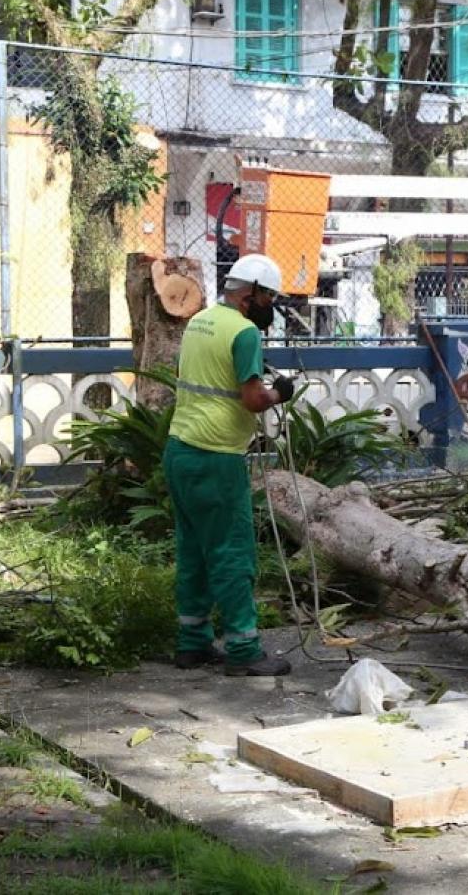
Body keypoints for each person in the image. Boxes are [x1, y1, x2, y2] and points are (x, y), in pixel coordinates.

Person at [166, 254, 296, 676]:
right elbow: (253, 399)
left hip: (180, 451)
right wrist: (281, 393)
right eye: (269, 297)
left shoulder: (200, 321)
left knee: (194, 552)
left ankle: (193, 642)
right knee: (231, 552)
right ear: (251, 294)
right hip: (216, 457)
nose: (270, 305)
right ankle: (243, 651)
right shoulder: (244, 333)